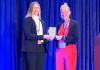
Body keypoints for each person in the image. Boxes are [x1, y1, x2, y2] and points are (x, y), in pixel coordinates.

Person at [22, 1, 49, 70]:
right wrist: (43, 36)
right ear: (31, 9)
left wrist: (48, 37)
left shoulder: (42, 22)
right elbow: (28, 35)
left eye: (37, 8)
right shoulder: (27, 20)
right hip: (31, 49)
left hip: (41, 49)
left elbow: (44, 36)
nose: (36, 9)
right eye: (34, 8)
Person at [55, 3, 79, 70]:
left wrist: (62, 37)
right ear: (60, 14)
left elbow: (76, 38)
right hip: (59, 51)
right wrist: (52, 36)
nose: (64, 13)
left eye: (65, 12)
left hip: (70, 50)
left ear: (69, 12)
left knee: (70, 68)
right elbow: (56, 37)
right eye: (62, 12)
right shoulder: (59, 24)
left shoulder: (74, 24)